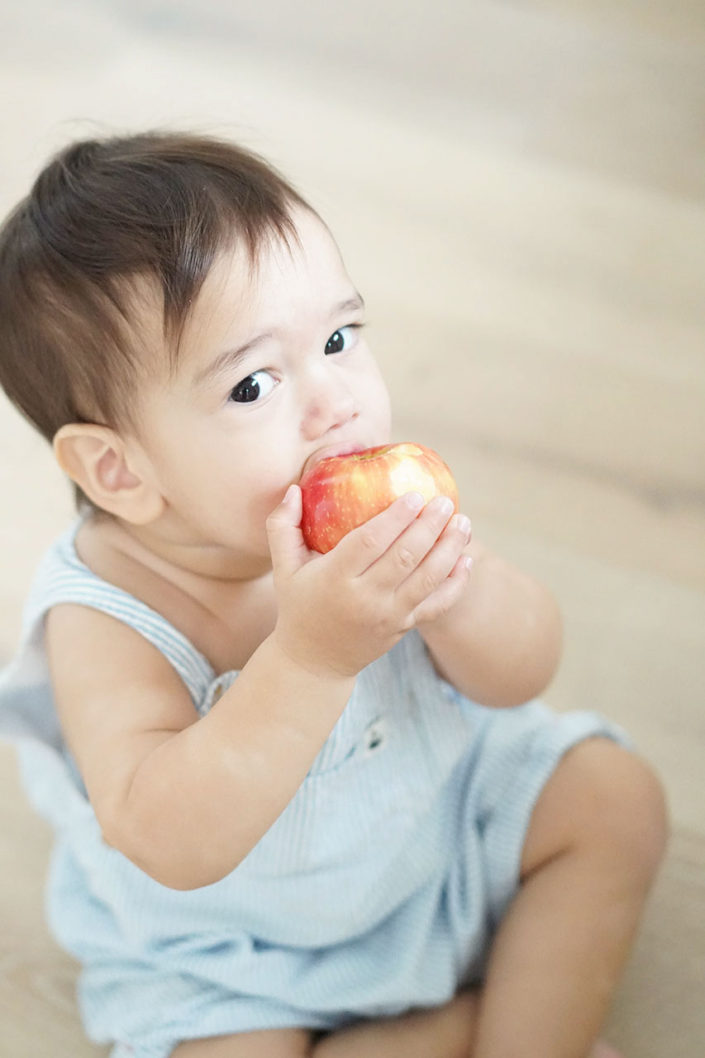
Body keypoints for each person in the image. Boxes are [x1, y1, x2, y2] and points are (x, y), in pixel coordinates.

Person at [0, 132, 667, 1058]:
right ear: (117, 468)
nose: (336, 402)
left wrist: (455, 596)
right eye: (252, 385)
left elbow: (522, 675)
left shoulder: (375, 514)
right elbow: (170, 839)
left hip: (434, 832)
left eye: (339, 338)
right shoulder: (106, 617)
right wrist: (309, 658)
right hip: (235, 954)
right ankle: (455, 1027)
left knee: (612, 797)